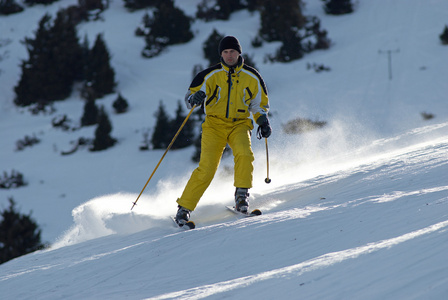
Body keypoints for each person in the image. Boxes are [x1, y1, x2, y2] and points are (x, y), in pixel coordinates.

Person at [175, 36, 272, 226]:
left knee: (244, 154)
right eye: (226, 52)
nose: (229, 55)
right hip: (214, 125)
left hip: (240, 124)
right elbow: (188, 98)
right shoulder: (209, 75)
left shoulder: (252, 76)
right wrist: (195, 98)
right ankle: (184, 209)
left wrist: (262, 121)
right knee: (207, 168)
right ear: (221, 54)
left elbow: (258, 105)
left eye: (233, 52)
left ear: (239, 53)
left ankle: (241, 197)